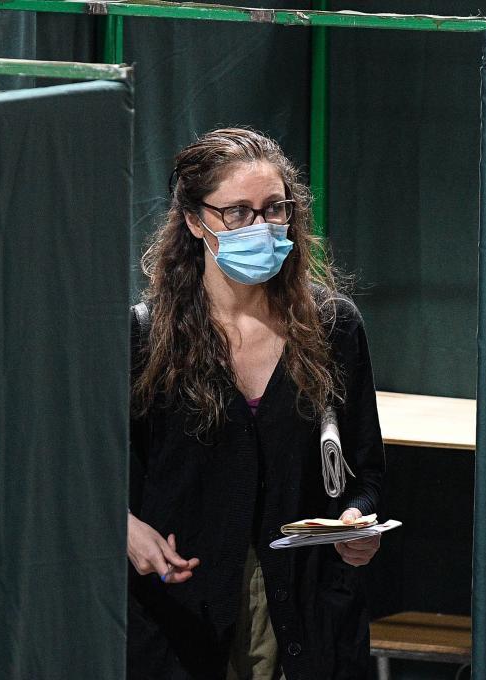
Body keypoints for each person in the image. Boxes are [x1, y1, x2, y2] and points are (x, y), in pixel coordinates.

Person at [126, 128, 386, 680]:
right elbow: (93, 480)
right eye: (238, 213)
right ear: (196, 222)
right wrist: (125, 530)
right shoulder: (146, 336)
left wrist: (357, 522)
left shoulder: (333, 327)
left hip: (304, 617)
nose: (261, 227)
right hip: (182, 615)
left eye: (274, 209)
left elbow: (365, 473)